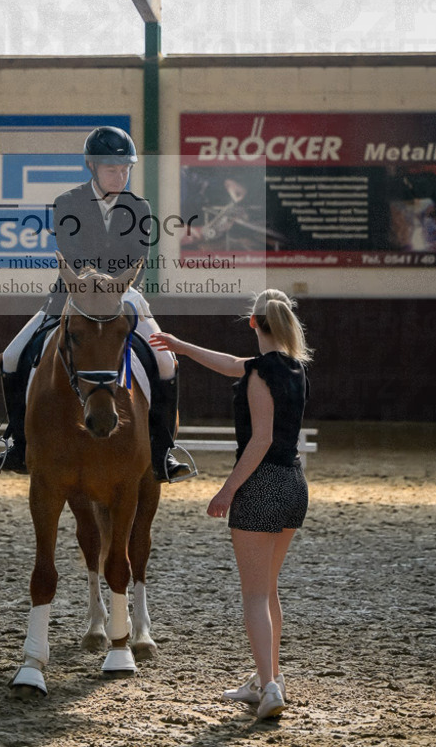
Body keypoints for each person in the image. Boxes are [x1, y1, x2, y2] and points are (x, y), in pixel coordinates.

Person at [0, 125, 194, 483]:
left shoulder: (139, 207)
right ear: (92, 167)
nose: (121, 175)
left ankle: (163, 451)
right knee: (11, 356)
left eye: (126, 168)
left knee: (166, 362)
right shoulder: (68, 203)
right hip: (71, 296)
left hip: (122, 298)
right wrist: (91, 285)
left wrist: (114, 288)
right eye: (113, 169)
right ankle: (18, 445)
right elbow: (73, 255)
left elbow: (137, 259)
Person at [149, 289, 312, 719]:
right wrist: (180, 346)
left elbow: (259, 440)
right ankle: (265, 679)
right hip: (295, 484)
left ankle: (271, 686)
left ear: (254, 323)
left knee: (255, 595)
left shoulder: (260, 373)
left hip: (261, 485)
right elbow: (229, 363)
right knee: (269, 591)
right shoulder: (295, 369)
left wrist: (227, 490)